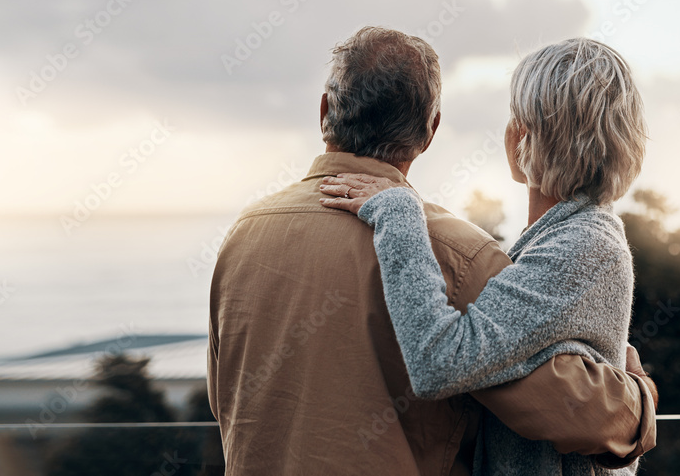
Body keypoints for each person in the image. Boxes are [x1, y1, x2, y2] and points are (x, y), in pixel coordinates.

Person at [209, 28, 656, 476]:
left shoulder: (243, 236)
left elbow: (223, 398)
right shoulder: (460, 257)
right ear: (431, 128)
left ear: (325, 109)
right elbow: (557, 401)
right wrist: (635, 403)